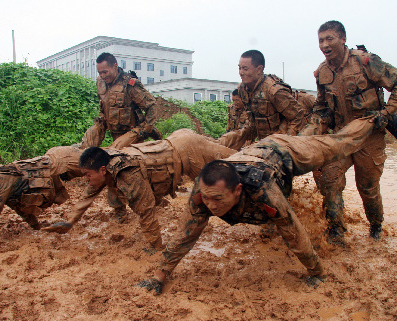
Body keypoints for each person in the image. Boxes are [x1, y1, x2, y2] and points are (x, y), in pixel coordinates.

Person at [138, 115, 381, 294]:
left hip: (285, 151)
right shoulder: (204, 193)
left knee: (338, 144)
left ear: (238, 191)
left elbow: (291, 229)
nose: (210, 205)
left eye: (218, 200)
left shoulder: (260, 189)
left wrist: (316, 272)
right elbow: (185, 234)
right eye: (207, 198)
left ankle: (374, 119)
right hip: (253, 152)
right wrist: (159, 276)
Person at [43, 129, 237, 252]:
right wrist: (69, 221)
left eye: (87, 175)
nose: (86, 180)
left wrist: (157, 246)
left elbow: (146, 211)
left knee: (237, 163)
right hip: (177, 141)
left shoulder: (127, 174)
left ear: (102, 170)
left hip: (188, 149)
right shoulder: (103, 160)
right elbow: (88, 194)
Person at [302, 20, 397, 244]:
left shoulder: (365, 62)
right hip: (341, 137)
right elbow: (322, 106)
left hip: (370, 136)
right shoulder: (322, 72)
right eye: (321, 40)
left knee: (367, 187)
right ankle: (335, 231)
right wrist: (313, 128)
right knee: (330, 179)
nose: (324, 44)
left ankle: (376, 228)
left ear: (342, 39)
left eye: (329, 39)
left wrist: (386, 113)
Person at [0, 146, 84, 264]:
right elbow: (19, 206)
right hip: (56, 167)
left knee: (101, 161)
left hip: (61, 160)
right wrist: (36, 226)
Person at [215, 50, 307, 150]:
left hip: (279, 141)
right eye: (239, 68)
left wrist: (285, 141)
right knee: (227, 139)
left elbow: (297, 116)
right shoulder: (243, 89)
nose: (241, 73)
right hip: (261, 140)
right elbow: (252, 123)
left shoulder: (274, 90)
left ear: (259, 69)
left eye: (245, 69)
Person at [80, 52, 162, 150]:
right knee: (84, 147)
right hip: (110, 126)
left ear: (115, 66)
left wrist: (147, 129)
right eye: (100, 73)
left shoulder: (130, 84)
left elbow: (151, 105)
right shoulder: (100, 82)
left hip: (131, 130)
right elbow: (103, 105)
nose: (102, 76)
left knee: (114, 153)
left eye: (105, 72)